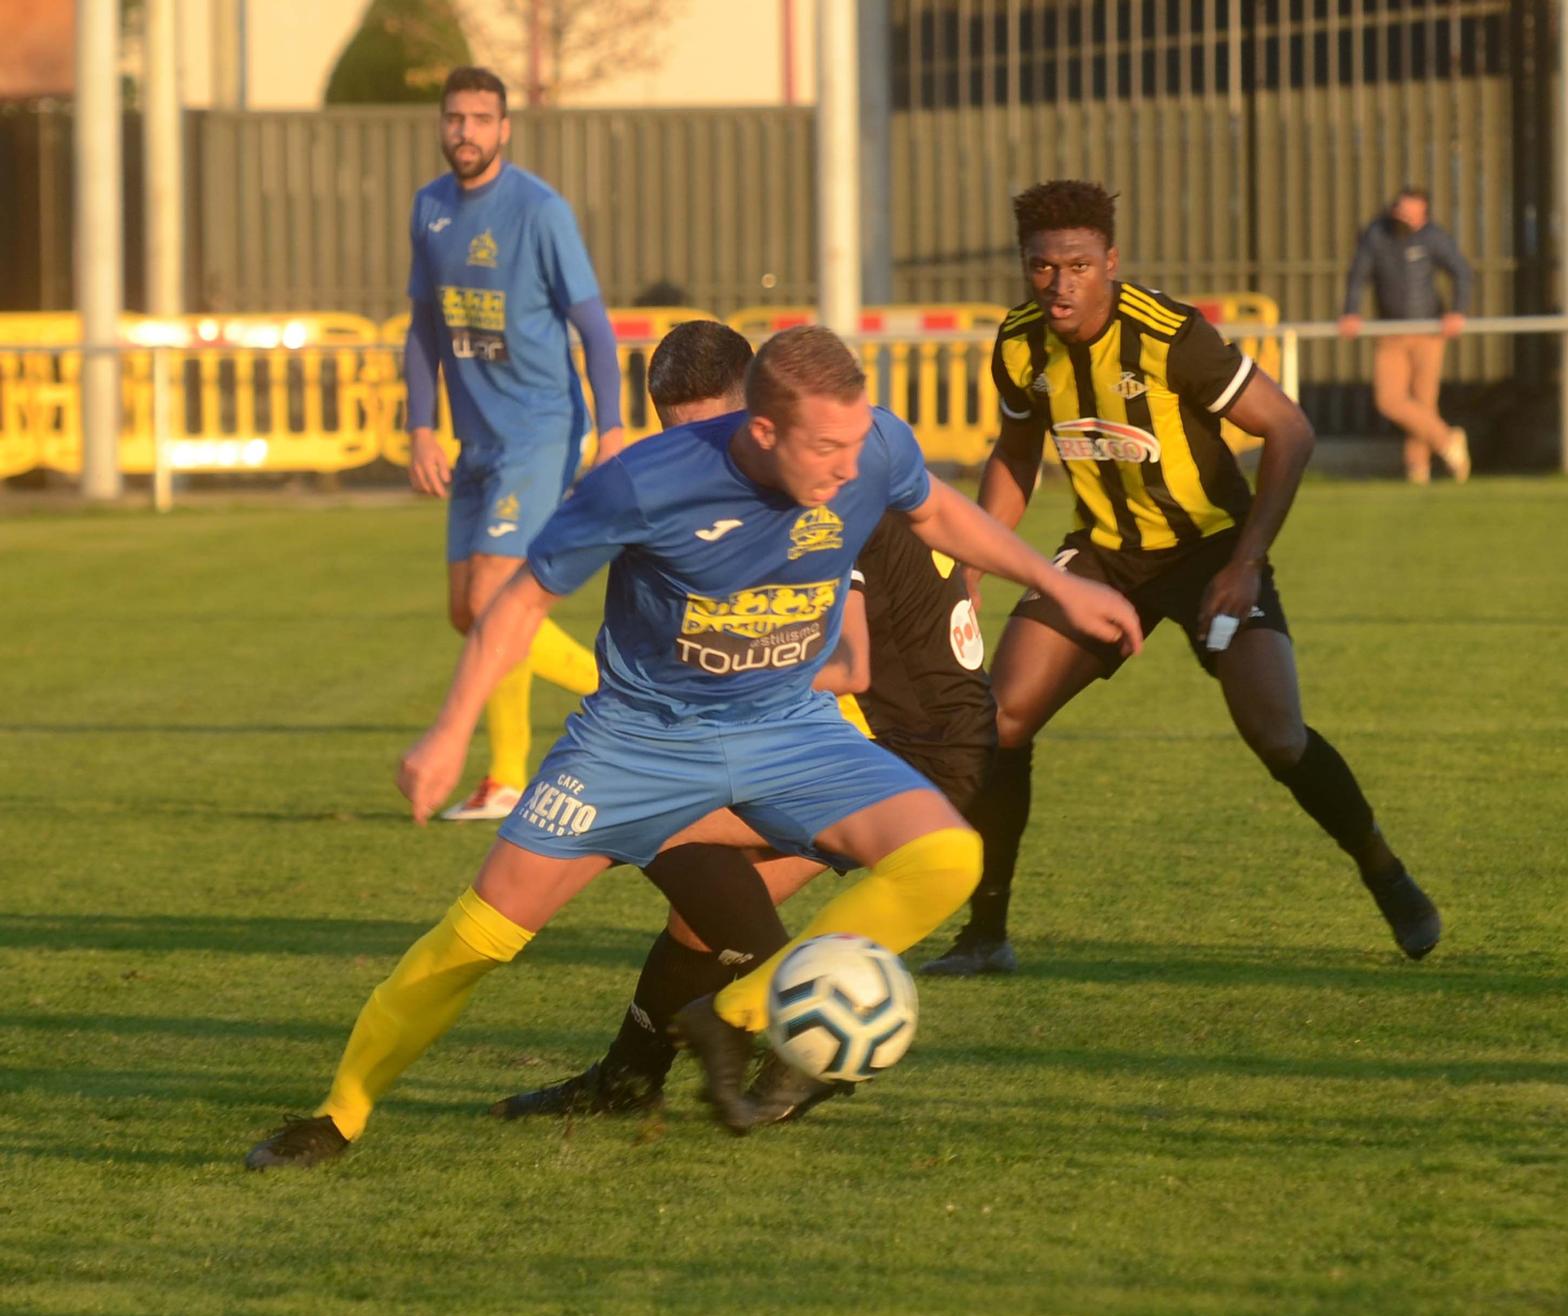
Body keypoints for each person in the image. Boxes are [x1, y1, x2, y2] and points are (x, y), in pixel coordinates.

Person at [244, 327, 1139, 1167]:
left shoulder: (868, 448)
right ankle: (340, 1114)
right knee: (479, 938)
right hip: (633, 745)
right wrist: (448, 731)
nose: (849, 464)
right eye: (825, 449)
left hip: (787, 728)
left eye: (856, 443)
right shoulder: (642, 482)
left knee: (946, 855)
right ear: (761, 426)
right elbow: (517, 604)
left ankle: (736, 1011)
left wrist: (1050, 583)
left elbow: (936, 510)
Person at [922, 179, 1439, 980]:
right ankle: (986, 932)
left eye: (1077, 265)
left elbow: (1290, 429)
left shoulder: (1170, 336)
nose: (1059, 284)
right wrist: (973, 560)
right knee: (1001, 719)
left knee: (1278, 735)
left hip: (1209, 554)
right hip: (1102, 556)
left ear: (1110, 262)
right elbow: (1018, 452)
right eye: (1041, 267)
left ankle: (1383, 869)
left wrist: (1246, 561)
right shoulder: (1021, 343)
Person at [487, 320, 997, 1123]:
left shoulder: (818, 492)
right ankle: (634, 1079)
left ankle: (806, 1046)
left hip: (901, 740)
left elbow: (851, 664)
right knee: (698, 904)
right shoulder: (807, 462)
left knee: (674, 839)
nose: (694, 465)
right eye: (673, 438)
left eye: (707, 431)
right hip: (932, 731)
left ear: (752, 410)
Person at [403, 65, 624, 821]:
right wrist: (421, 426)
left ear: (504, 128)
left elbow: (594, 329)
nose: (464, 131)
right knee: (470, 616)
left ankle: (514, 772)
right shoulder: (429, 207)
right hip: (474, 442)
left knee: (497, 600)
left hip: (540, 431)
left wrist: (615, 426)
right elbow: (423, 328)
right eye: (453, 117)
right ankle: (521, 765)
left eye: (479, 119)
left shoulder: (539, 211)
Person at [1337, 186, 1474, 485]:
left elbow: (1461, 271)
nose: (1402, 217)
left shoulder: (1434, 237)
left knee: (1424, 402)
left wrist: (1457, 311)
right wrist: (1351, 311)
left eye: (1410, 213)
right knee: (1389, 400)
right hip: (1391, 331)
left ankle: (1417, 470)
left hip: (1428, 332)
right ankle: (1447, 440)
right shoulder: (1377, 234)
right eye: (1399, 211)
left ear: (1423, 215)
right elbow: (1358, 275)